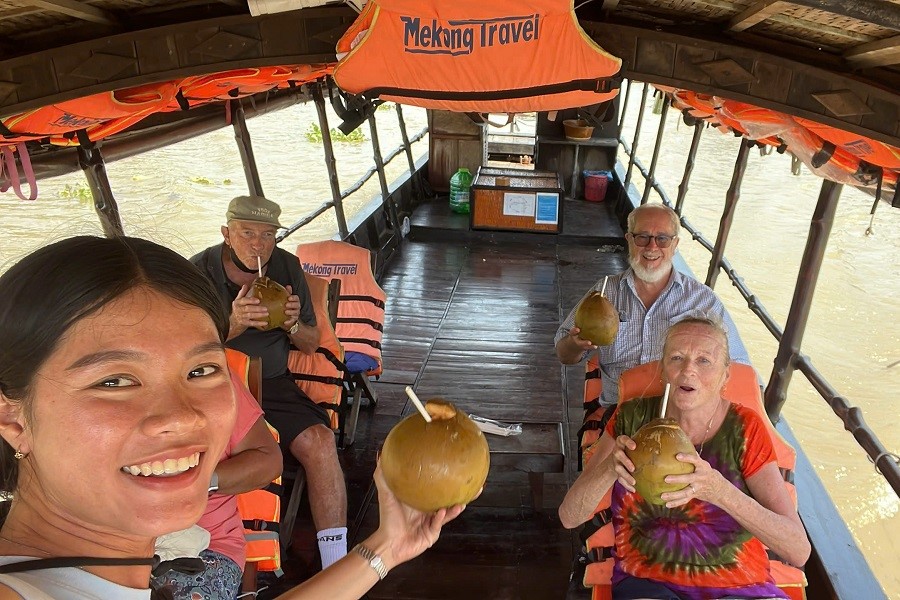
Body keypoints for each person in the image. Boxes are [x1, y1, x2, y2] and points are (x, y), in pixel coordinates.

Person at [0, 235, 467, 599]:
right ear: (13, 417)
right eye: (114, 381)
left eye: (200, 370)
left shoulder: (109, 570)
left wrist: (387, 545)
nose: (182, 419)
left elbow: (309, 343)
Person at [558, 317, 810, 599]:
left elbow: (797, 549)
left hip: (740, 585)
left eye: (704, 361)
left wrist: (720, 491)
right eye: (677, 358)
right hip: (649, 580)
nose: (688, 370)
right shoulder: (633, 419)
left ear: (725, 376)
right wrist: (609, 469)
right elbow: (569, 517)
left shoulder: (744, 428)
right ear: (663, 370)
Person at [191, 195, 350, 568]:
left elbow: (311, 344)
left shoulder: (287, 268)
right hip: (212, 383)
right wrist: (234, 324)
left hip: (272, 382)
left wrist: (292, 323)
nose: (258, 244)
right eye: (247, 233)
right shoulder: (197, 272)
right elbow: (181, 350)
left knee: (321, 442)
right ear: (226, 234)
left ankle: (336, 564)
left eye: (268, 235)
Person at [555, 202, 750, 413]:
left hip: (679, 413)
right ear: (629, 239)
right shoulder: (605, 292)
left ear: (675, 244)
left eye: (662, 239)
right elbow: (564, 354)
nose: (652, 247)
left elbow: (739, 367)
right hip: (619, 409)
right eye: (643, 237)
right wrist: (575, 344)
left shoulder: (702, 301)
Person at [151, 368, 282, 599]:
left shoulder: (213, 374)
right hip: (109, 539)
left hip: (209, 543)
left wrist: (193, 483)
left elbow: (268, 460)